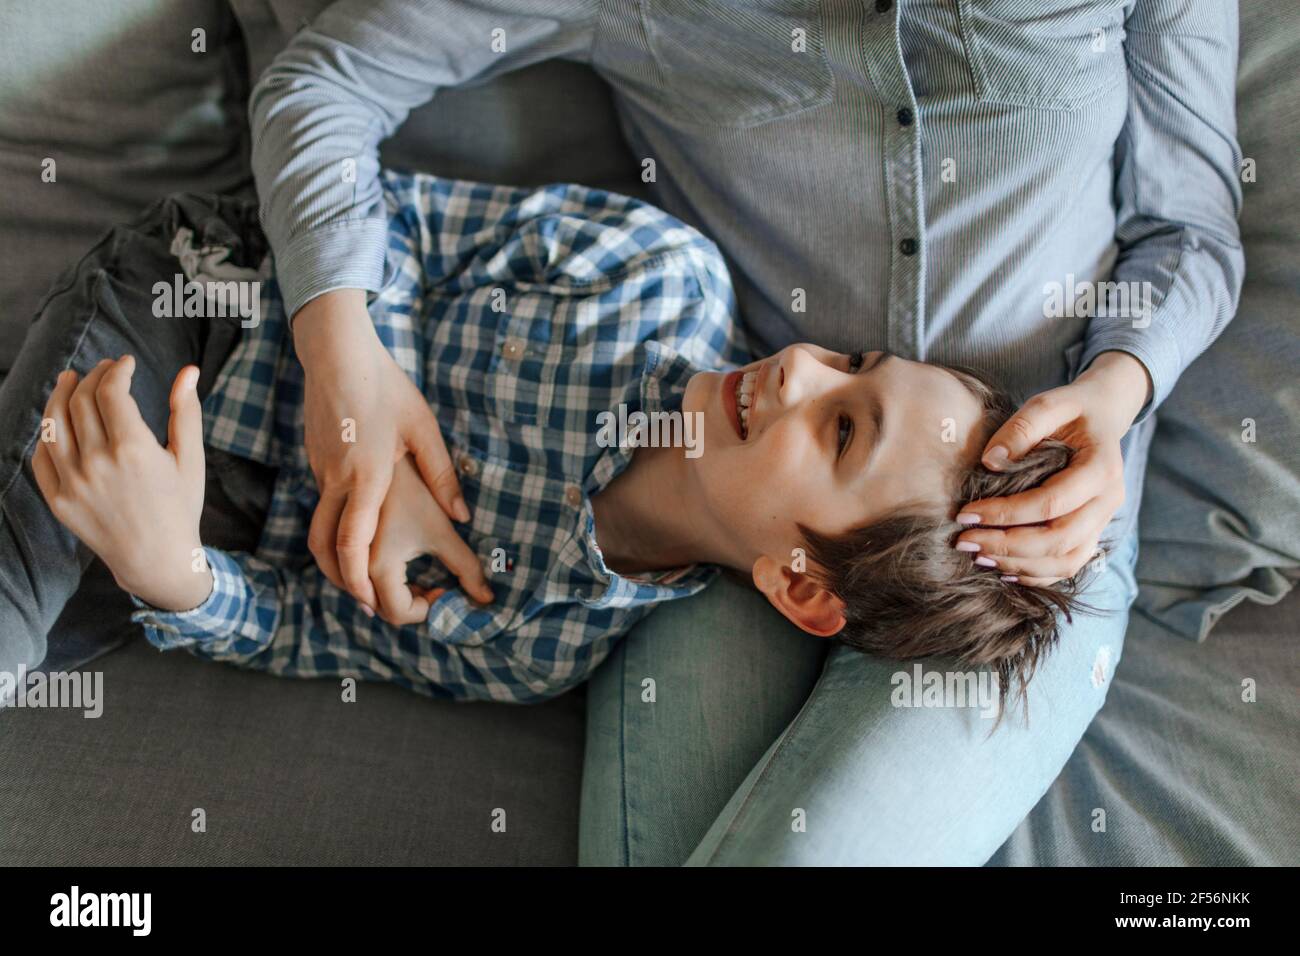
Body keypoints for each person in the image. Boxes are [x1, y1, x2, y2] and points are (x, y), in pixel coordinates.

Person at [246, 0, 1244, 863]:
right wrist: (351, 368)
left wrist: (1114, 391)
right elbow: (325, 82)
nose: (819, 362)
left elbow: (1192, 228)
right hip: (738, 521)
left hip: (1021, 566)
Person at [19, 172, 1088, 714]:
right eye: (854, 360)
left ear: (802, 586)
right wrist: (368, 421)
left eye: (841, 428)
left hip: (195, 530)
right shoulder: (654, 274)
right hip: (210, 315)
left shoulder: (543, 635)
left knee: (48, 643)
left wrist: (176, 576)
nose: (802, 367)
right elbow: (377, 219)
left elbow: (300, 629)